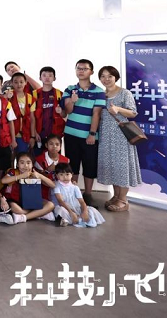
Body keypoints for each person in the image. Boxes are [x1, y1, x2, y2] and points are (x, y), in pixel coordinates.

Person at [97, 65, 142, 212]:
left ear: (115, 77)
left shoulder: (124, 93)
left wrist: (118, 109)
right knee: (113, 166)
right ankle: (116, 196)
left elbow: (133, 113)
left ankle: (123, 200)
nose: (106, 79)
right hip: (106, 136)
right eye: (103, 76)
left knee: (122, 167)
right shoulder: (101, 94)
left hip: (121, 136)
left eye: (109, 76)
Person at [62, 59, 106, 206]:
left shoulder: (98, 91)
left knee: (89, 165)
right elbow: (68, 111)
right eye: (78, 68)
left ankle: (87, 194)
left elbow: (96, 114)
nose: (81, 71)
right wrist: (72, 101)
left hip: (89, 136)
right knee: (72, 165)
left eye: (85, 68)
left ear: (91, 72)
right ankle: (73, 194)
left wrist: (92, 134)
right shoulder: (70, 89)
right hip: (71, 134)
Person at [1, 152, 55, 224]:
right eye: (22, 163)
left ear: (32, 164)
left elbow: (53, 185)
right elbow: (3, 180)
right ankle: (40, 214)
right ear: (17, 164)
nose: (25, 165)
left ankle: (24, 217)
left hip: (32, 201)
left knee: (51, 205)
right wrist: (21, 176)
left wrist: (40, 176)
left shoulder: (35, 173)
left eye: (28, 163)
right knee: (16, 209)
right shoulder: (13, 172)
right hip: (16, 200)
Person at [53, 163, 105, 227]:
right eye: (61, 174)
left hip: (77, 208)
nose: (65, 177)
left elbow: (81, 201)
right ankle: (77, 219)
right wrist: (71, 213)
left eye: (67, 174)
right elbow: (60, 201)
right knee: (60, 210)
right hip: (66, 208)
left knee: (91, 210)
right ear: (57, 176)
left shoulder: (75, 187)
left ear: (71, 175)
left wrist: (85, 212)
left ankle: (77, 219)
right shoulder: (57, 186)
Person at [30, 66, 67, 153]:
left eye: (50, 75)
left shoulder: (60, 94)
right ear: (40, 78)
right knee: (38, 159)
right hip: (39, 135)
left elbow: (65, 115)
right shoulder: (34, 95)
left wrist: (61, 111)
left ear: (54, 78)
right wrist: (34, 133)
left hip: (55, 135)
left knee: (54, 159)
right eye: (44, 75)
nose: (47, 78)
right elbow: (31, 117)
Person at [33, 134, 69, 201]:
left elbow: (68, 176)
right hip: (43, 192)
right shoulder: (39, 160)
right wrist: (48, 170)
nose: (54, 146)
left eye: (57, 144)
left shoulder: (66, 160)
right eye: (51, 144)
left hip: (61, 192)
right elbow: (37, 178)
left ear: (61, 146)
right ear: (46, 145)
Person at [8, 72, 35, 156]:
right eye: (16, 82)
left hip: (24, 134)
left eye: (21, 82)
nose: (19, 84)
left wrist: (32, 136)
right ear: (11, 83)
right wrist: (6, 98)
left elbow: (32, 119)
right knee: (10, 159)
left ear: (25, 83)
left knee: (22, 157)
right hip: (9, 134)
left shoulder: (30, 98)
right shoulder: (8, 96)